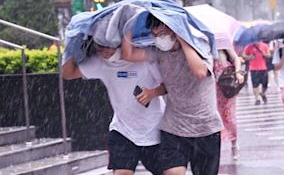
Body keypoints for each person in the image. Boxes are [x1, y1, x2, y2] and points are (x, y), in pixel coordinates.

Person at [121, 14, 223, 175]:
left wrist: (183, 39)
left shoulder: (200, 46)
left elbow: (200, 72)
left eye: (162, 34)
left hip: (205, 128)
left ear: (174, 30)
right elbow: (128, 55)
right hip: (174, 127)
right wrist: (128, 25)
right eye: (154, 35)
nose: (159, 39)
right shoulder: (159, 52)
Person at [62, 37, 167, 175]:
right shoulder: (100, 63)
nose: (105, 52)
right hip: (122, 130)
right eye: (100, 48)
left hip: (154, 130)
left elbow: (169, 85)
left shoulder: (144, 58)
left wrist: (152, 93)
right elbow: (68, 74)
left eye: (109, 47)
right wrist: (72, 44)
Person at [213, 48, 244, 160]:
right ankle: (215, 149)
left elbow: (236, 59)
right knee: (214, 119)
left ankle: (234, 145)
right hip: (211, 89)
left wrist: (238, 72)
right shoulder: (203, 46)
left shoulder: (223, 43)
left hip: (226, 87)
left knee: (229, 117)